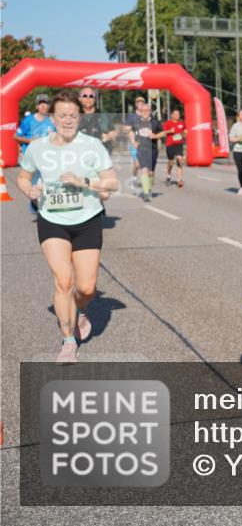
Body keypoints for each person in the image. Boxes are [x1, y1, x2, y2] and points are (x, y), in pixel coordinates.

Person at [15, 90, 119, 363]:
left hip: (87, 220)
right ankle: (68, 341)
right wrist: (29, 190)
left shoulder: (92, 146)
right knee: (63, 281)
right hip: (52, 220)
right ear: (53, 117)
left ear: (79, 117)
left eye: (73, 115)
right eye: (62, 115)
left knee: (86, 288)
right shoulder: (38, 148)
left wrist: (83, 182)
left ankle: (80, 310)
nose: (68, 120)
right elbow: (23, 176)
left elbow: (112, 183)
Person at [15, 94, 56, 214]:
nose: (43, 106)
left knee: (49, 182)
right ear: (37, 106)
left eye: (45, 103)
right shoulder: (28, 120)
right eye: (41, 104)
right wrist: (30, 141)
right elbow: (16, 136)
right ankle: (36, 207)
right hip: (32, 158)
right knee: (34, 184)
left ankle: (48, 208)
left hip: (48, 158)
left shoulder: (52, 120)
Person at [126, 98, 165, 203]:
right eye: (143, 110)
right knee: (144, 169)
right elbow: (131, 132)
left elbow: (163, 133)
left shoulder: (155, 122)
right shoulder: (137, 122)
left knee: (151, 173)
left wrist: (155, 136)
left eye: (147, 110)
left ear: (150, 111)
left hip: (152, 149)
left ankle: (149, 188)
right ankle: (146, 193)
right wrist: (133, 142)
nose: (145, 112)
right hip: (141, 149)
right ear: (141, 111)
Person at [76, 86, 118, 154]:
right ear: (79, 98)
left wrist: (109, 136)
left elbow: (114, 133)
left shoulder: (104, 115)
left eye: (91, 96)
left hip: (101, 154)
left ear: (95, 99)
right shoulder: (73, 116)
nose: (88, 98)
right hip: (80, 154)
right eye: (84, 96)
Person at [162, 109, 186, 187]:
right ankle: (169, 176)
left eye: (178, 114)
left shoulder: (181, 123)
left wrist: (185, 133)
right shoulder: (168, 123)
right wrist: (169, 131)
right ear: (172, 115)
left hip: (179, 144)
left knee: (180, 159)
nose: (177, 115)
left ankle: (179, 180)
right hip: (170, 145)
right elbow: (163, 132)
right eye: (176, 114)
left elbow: (185, 130)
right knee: (171, 162)